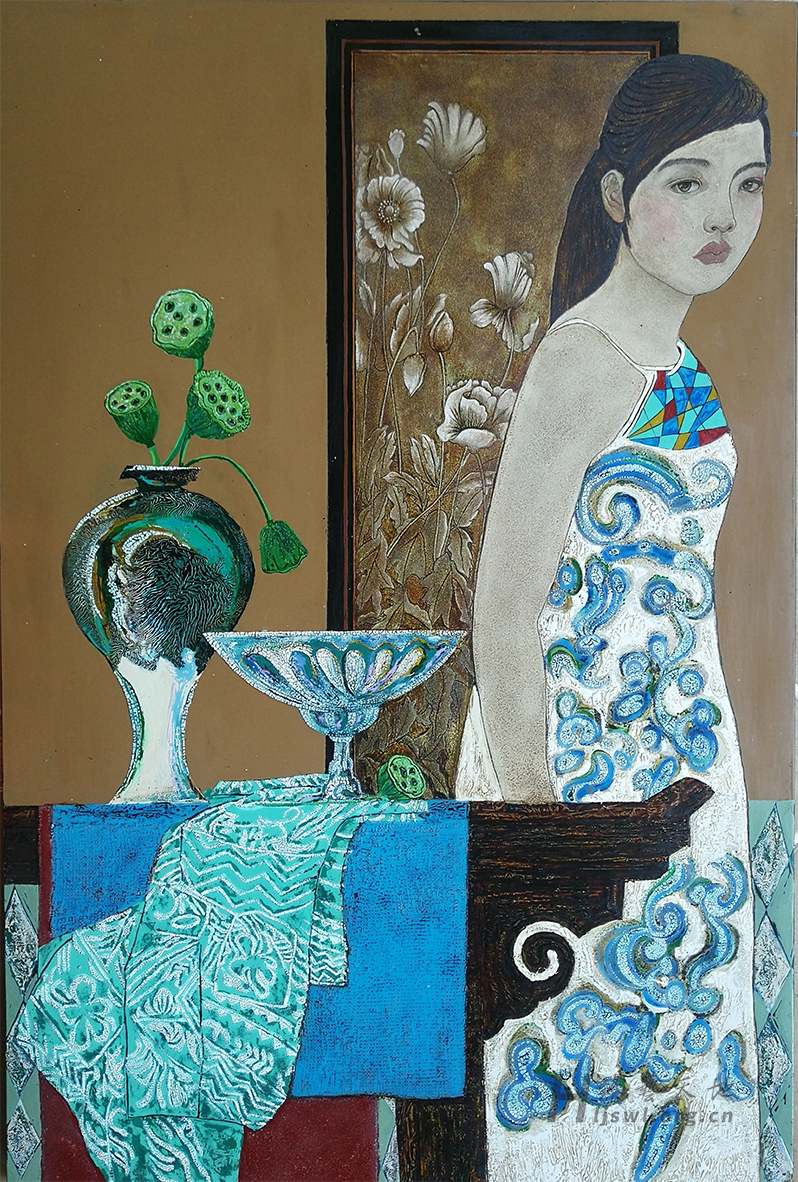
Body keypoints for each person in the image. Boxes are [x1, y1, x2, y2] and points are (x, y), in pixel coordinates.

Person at [457, 55, 768, 1181]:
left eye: (748, 184)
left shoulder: (679, 367)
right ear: (616, 195)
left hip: (686, 759)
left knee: (685, 1076)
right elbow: (503, 609)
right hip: (580, 772)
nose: (723, 215)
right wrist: (541, 822)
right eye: (689, 181)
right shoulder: (579, 360)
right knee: (572, 1074)